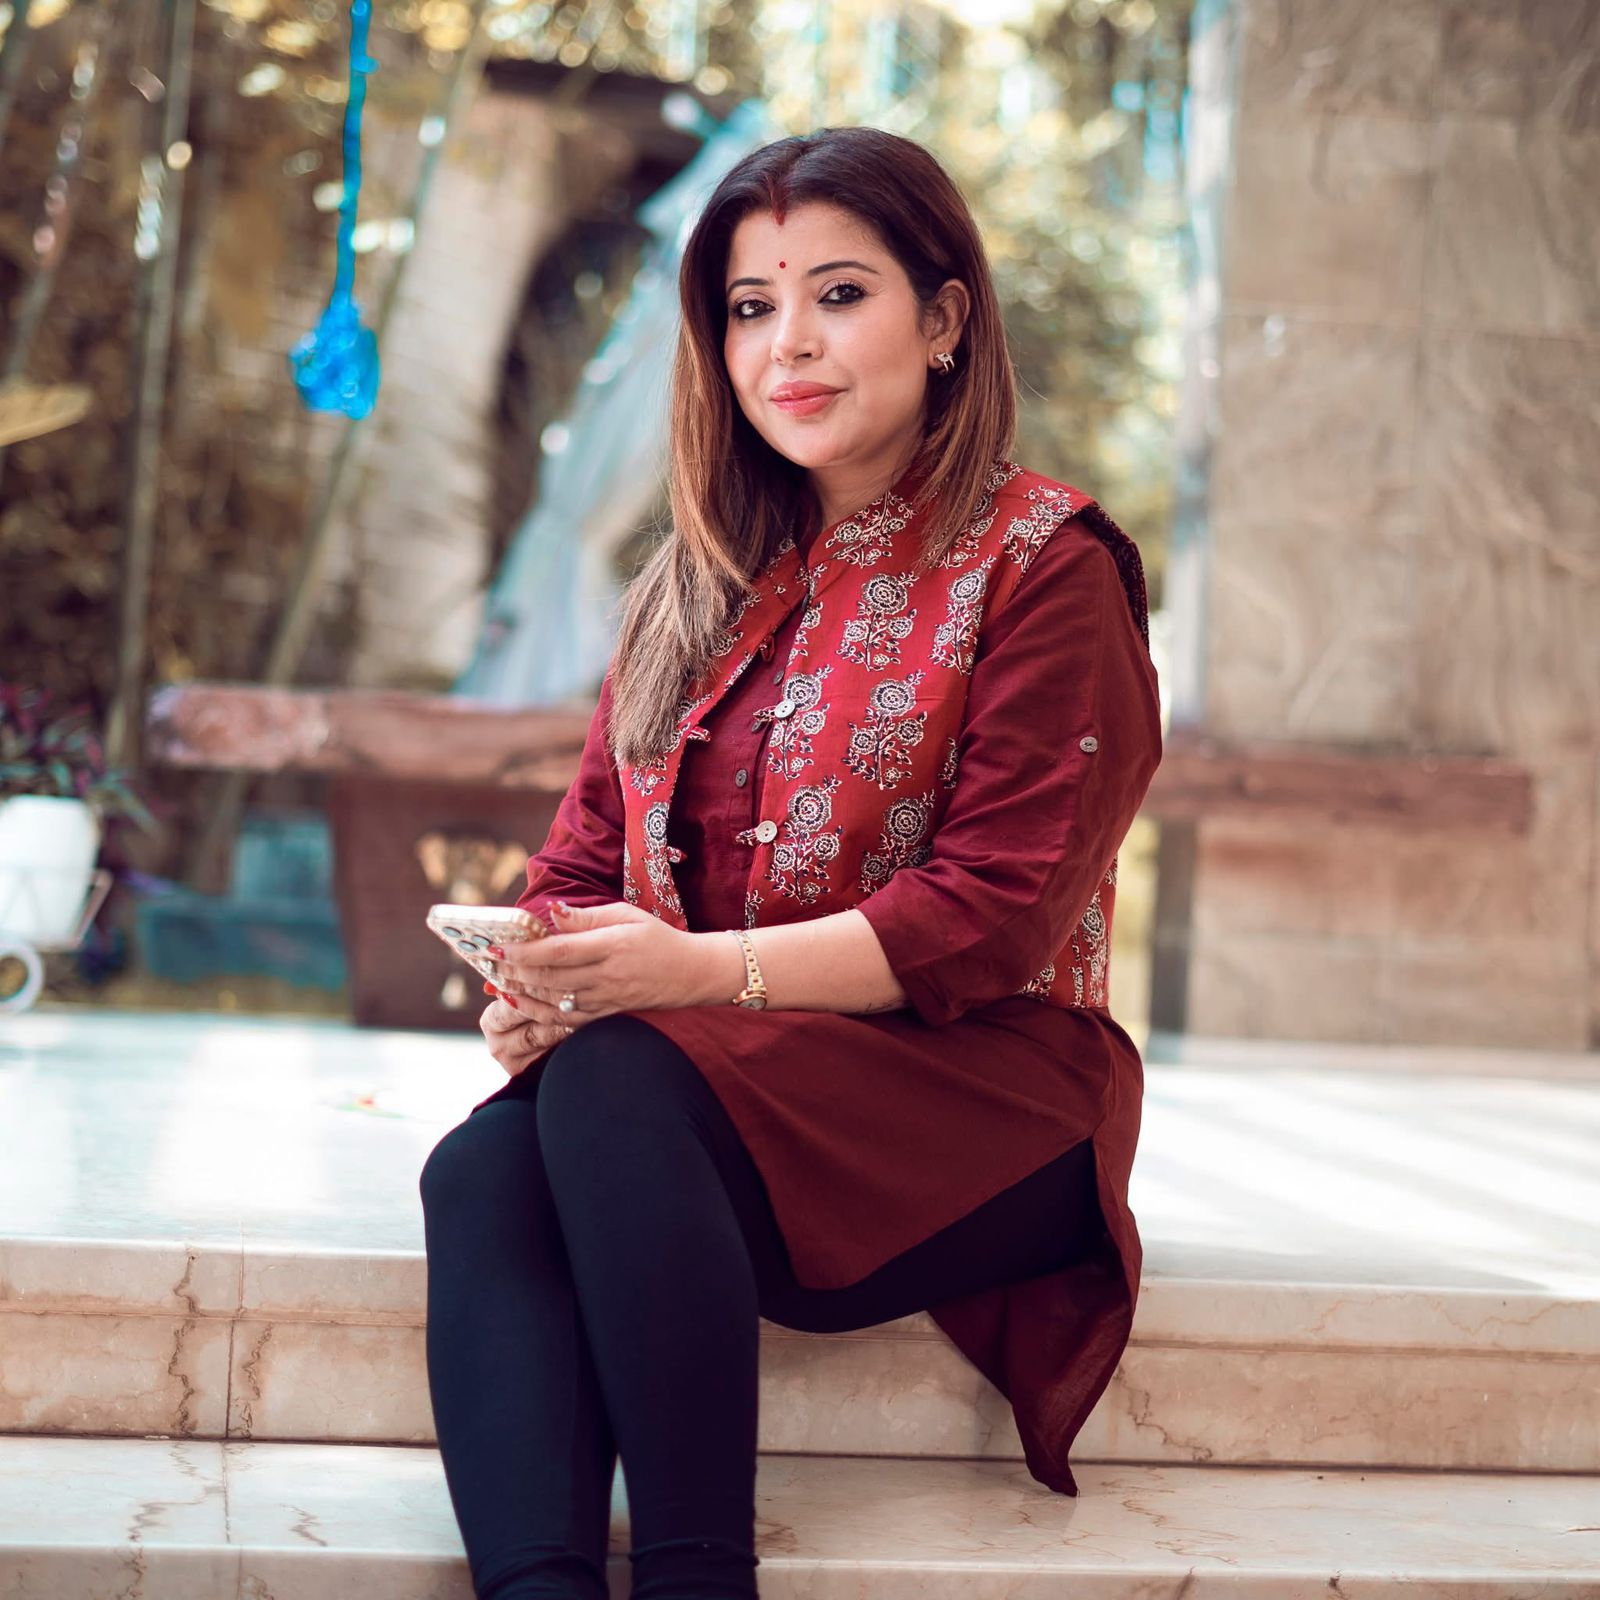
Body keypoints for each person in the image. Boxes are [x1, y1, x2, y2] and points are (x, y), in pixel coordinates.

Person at [419, 124, 1163, 1600]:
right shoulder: (690, 583)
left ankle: (701, 1578)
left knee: (620, 1082)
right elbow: (580, 864)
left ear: (943, 321)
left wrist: (685, 979)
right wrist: (549, 985)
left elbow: (993, 915)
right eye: (751, 308)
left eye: (839, 294)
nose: (789, 346)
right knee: (483, 1168)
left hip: (986, 1095)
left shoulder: (1045, 566)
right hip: (701, 1096)